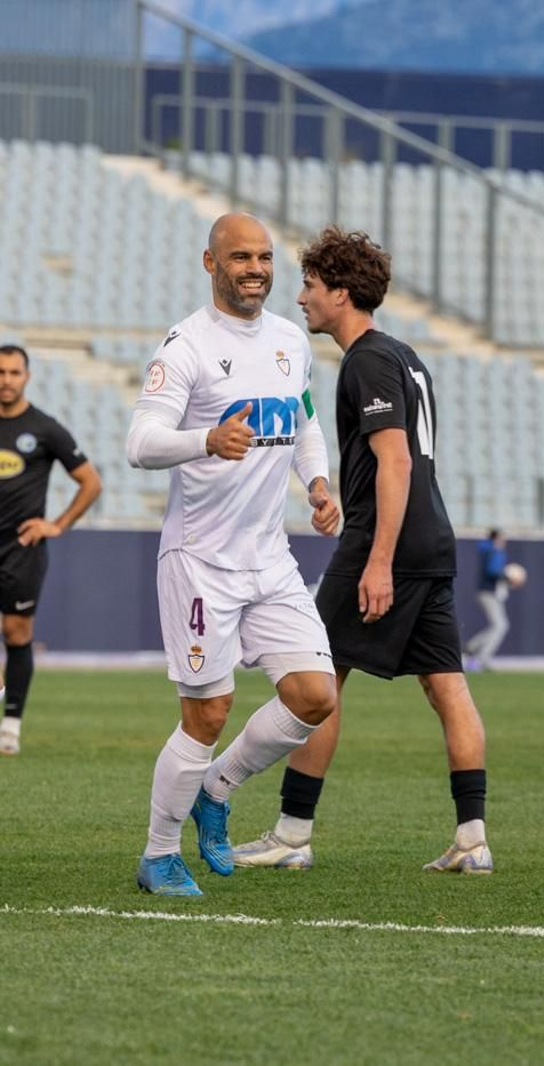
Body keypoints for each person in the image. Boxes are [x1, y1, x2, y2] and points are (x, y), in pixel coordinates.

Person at [232, 226, 492, 875]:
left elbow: (396, 461)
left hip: (390, 545)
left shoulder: (368, 360)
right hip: (432, 539)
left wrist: (377, 560)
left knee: (320, 678)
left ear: (341, 293)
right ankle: (473, 839)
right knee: (447, 687)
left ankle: (292, 835)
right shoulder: (405, 355)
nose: (301, 298)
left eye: (311, 286)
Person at [125, 213, 342, 896]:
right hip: (200, 560)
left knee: (314, 696)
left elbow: (304, 419)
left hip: (269, 555)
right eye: (240, 256)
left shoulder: (287, 340)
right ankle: (158, 855)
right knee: (208, 714)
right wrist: (204, 441)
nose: (255, 268)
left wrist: (317, 482)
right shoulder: (185, 346)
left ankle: (215, 791)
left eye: (265, 257)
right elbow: (140, 443)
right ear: (210, 262)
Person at [0, 343, 102, 756]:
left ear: (26, 376)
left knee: (16, 632)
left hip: (22, 548)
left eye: (13, 373)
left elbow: (90, 482)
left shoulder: (44, 428)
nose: (6, 380)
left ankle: (11, 724)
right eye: (0, 372)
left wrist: (56, 524)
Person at [464, 528, 510, 671]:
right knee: (500, 626)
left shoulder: (488, 550)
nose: (505, 541)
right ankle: (481, 658)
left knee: (499, 625)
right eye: (502, 538)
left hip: (487, 592)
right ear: (496, 538)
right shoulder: (494, 551)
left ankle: (472, 647)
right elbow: (493, 571)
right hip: (488, 593)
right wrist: (508, 577)